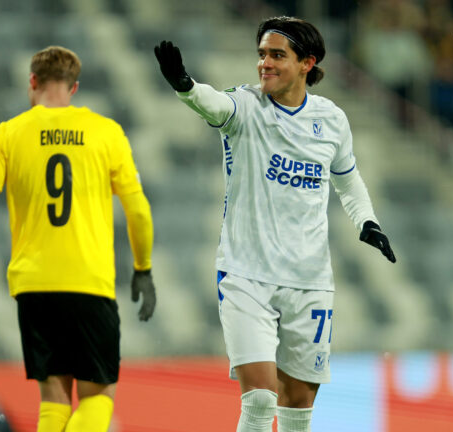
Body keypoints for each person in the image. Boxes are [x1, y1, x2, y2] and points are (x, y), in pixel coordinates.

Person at [154, 16, 396, 432]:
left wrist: (367, 221)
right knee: (260, 400)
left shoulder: (331, 119)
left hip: (310, 281)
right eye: (262, 54)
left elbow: (347, 178)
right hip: (246, 276)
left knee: (298, 407)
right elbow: (213, 104)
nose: (264, 63)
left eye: (277, 55)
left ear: (307, 63)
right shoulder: (245, 106)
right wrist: (185, 85)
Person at [0, 46, 156, 432]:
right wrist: (142, 268)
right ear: (74, 88)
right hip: (88, 282)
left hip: (34, 287)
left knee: (54, 403)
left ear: (32, 81)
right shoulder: (106, 133)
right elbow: (139, 211)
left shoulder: (7, 135)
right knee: (98, 399)